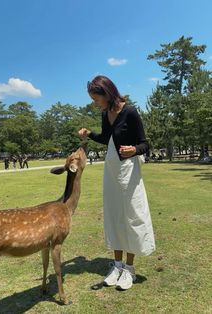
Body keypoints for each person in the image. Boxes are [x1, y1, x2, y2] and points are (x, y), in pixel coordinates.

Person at [78, 75, 155, 290]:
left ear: (107, 93)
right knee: (114, 215)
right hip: (111, 171)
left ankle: (129, 269)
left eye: (96, 99)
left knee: (131, 216)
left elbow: (144, 144)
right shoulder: (105, 114)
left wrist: (134, 150)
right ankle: (117, 265)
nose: (95, 103)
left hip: (129, 172)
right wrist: (89, 134)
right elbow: (106, 138)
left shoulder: (130, 112)